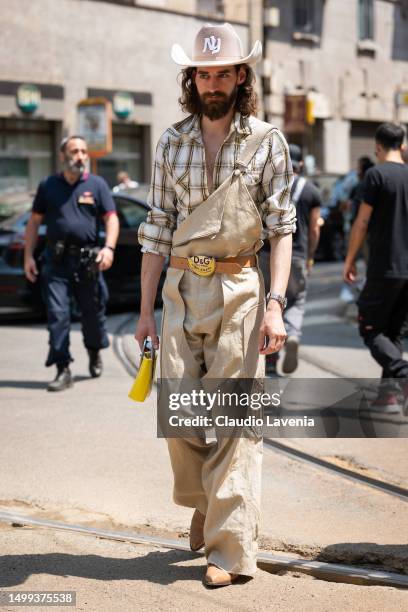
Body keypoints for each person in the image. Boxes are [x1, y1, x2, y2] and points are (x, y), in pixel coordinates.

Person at [135, 23, 295, 587]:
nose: (213, 82)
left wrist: (275, 304)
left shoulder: (267, 143)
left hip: (242, 291)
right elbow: (156, 229)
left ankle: (229, 551)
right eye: (204, 73)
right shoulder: (170, 141)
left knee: (231, 419)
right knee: (179, 415)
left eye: (223, 72)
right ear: (192, 79)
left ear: (240, 77)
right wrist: (144, 310)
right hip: (180, 289)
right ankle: (206, 498)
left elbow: (281, 230)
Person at [24, 136, 119, 392]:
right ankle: (62, 368)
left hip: (87, 262)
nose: (81, 156)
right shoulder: (48, 185)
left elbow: (111, 219)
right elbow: (34, 222)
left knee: (93, 315)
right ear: (62, 155)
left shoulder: (97, 184)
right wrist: (28, 256)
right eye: (75, 151)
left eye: (84, 152)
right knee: (58, 315)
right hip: (55, 263)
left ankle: (94, 349)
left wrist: (108, 248)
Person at [344, 123, 408, 413]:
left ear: (378, 146)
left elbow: (361, 222)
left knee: (369, 328)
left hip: (385, 266)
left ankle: (403, 375)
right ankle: (388, 396)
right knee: (393, 332)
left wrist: (350, 259)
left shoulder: (376, 174)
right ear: (402, 144)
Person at [263, 144, 321, 375]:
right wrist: (310, 256)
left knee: (270, 303)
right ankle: (293, 336)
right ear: (302, 164)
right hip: (296, 255)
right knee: (295, 301)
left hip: (268, 254)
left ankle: (269, 360)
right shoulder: (311, 190)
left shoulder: (271, 187)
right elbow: (315, 228)